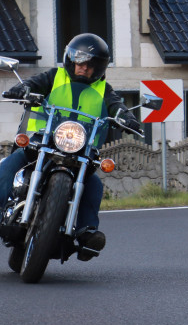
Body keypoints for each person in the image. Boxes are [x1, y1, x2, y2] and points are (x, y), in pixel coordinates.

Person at [0, 33, 140, 260]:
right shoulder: (54, 76)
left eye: (91, 65)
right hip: (43, 140)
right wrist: (23, 87)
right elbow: (34, 83)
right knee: (9, 166)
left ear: (99, 68)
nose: (84, 68)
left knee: (93, 184)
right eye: (80, 63)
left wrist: (126, 117)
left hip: (80, 149)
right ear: (71, 60)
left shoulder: (104, 90)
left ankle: (87, 232)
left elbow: (116, 106)